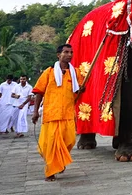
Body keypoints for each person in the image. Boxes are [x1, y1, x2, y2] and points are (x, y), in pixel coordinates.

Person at [32, 44, 83, 182]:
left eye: (71, 52)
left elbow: (78, 91)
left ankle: (59, 162)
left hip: (68, 114)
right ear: (58, 55)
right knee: (51, 144)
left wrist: (82, 89)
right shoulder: (48, 72)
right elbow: (38, 92)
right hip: (51, 114)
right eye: (66, 52)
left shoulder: (76, 72)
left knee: (70, 141)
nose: (69, 55)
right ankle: (50, 171)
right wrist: (35, 111)